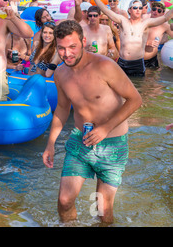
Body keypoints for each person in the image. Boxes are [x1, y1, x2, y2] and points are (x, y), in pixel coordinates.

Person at [42, 20, 142, 224]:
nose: (66, 53)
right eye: (61, 48)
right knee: (64, 201)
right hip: (80, 141)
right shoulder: (60, 73)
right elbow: (62, 109)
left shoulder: (105, 66)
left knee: (102, 211)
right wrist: (50, 144)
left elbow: (135, 100)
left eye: (72, 47)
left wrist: (105, 128)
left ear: (83, 42)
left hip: (112, 145)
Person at [86, 0, 173, 77]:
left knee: (139, 89)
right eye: (135, 8)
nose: (138, 10)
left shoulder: (146, 23)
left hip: (137, 64)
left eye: (140, 8)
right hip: (122, 62)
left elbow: (165, 18)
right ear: (129, 10)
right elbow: (106, 10)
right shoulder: (123, 21)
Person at [144, 2, 172, 68]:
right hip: (138, 58)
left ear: (163, 13)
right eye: (154, 9)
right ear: (151, 10)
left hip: (152, 59)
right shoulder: (143, 23)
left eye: (159, 11)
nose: (155, 12)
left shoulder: (165, 26)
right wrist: (147, 43)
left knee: (153, 77)